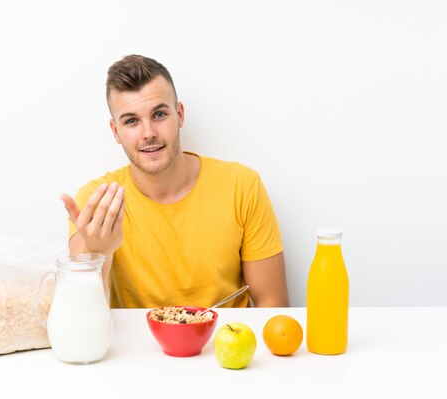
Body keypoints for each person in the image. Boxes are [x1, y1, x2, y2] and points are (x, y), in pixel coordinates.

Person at [61, 54, 289, 309]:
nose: (148, 134)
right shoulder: (98, 202)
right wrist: (97, 251)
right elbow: (77, 312)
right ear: (116, 131)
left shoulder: (242, 187)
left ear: (179, 115)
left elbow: (272, 305)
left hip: (225, 345)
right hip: (137, 348)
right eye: (132, 121)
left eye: (159, 114)